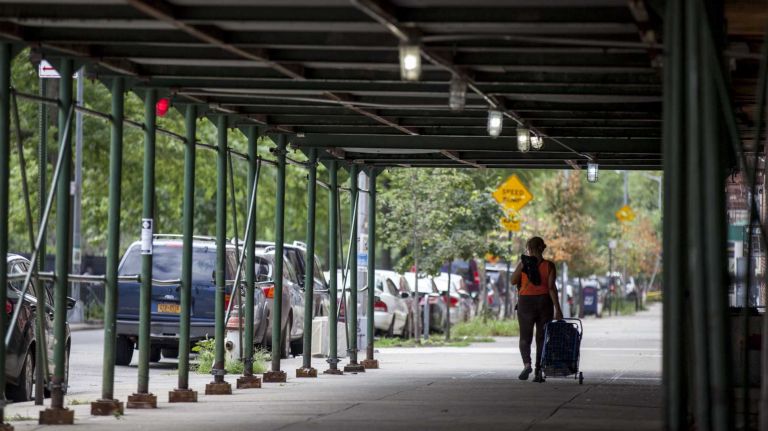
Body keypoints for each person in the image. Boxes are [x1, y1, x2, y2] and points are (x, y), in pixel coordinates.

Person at [510, 236, 563, 382]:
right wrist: (558, 309)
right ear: (542, 248)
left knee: (525, 337)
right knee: (541, 338)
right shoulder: (549, 266)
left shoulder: (524, 264)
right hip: (544, 303)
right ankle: (539, 370)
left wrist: (522, 267)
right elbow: (551, 288)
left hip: (526, 303)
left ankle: (527, 364)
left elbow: (513, 281)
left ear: (529, 248)